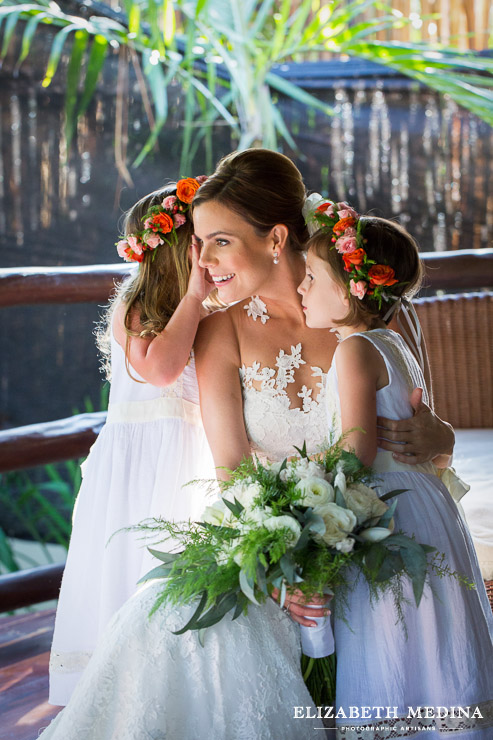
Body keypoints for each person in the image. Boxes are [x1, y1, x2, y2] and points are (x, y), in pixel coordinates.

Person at [40, 150, 457, 739]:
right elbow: (232, 469)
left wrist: (443, 435)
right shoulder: (220, 329)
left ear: (276, 238)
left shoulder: (358, 305)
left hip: (377, 526)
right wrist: (281, 562)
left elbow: (418, 440)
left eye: (219, 242)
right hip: (269, 530)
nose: (202, 262)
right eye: (199, 243)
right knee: (183, 624)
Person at [297, 202, 493, 738]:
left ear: (350, 290)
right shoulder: (393, 341)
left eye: (312, 277)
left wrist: (304, 480)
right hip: (425, 501)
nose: (301, 288)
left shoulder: (354, 350)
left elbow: (356, 453)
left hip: (389, 511)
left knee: (392, 628)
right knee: (433, 626)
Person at [49, 179, 217, 706]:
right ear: (180, 251)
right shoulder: (137, 304)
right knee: (128, 571)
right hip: (138, 465)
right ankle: (116, 692)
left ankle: (163, 687)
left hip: (184, 457)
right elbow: (163, 369)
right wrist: (193, 296)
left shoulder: (207, 311)